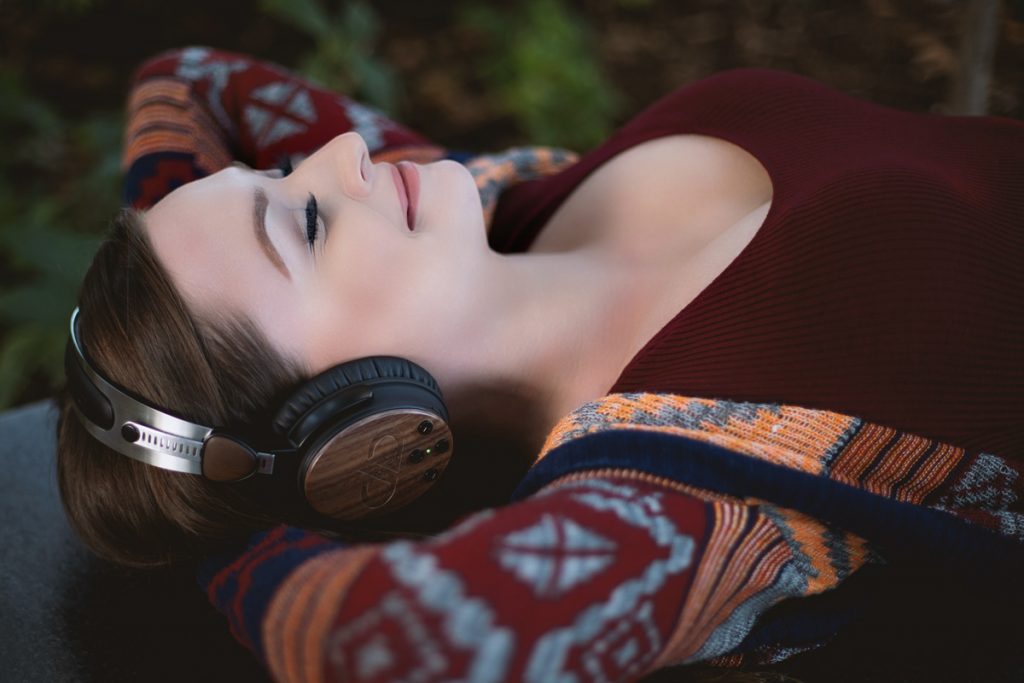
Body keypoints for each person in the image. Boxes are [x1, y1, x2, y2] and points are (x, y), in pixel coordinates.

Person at [57, 46, 1023, 682]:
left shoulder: (488, 206)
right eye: (304, 222)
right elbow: (367, 635)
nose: (337, 152)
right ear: (338, 425)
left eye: (275, 176)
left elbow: (185, 80)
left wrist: (162, 303)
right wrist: (244, 493)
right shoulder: (678, 495)